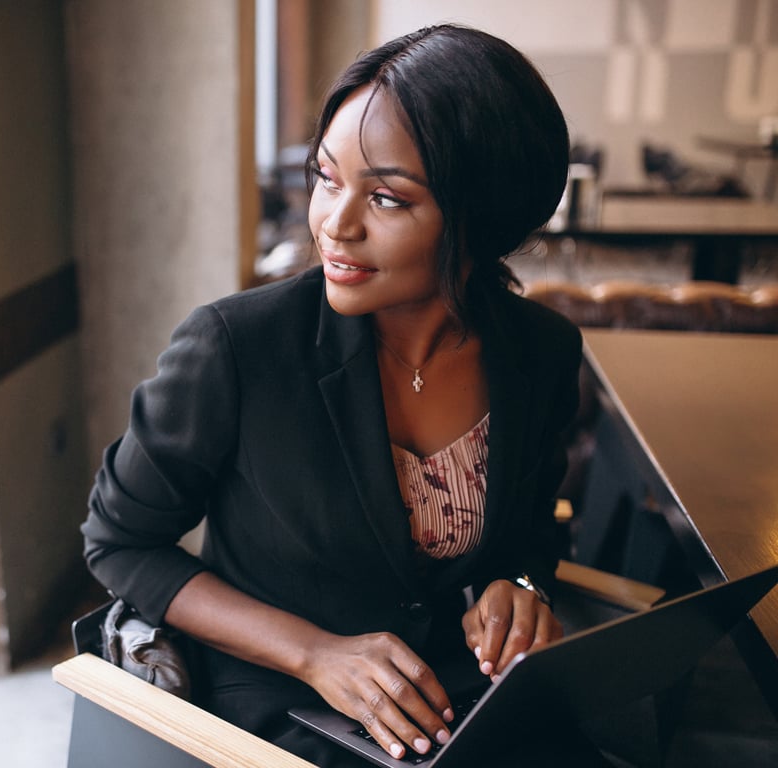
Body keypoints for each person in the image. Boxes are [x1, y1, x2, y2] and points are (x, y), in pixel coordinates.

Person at [82, 24, 586, 767]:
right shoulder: (235, 347)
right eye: (326, 176)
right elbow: (119, 541)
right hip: (278, 704)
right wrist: (314, 652)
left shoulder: (541, 353)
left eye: (385, 197)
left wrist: (515, 585)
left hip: (451, 695)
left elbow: (531, 534)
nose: (334, 224)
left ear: (483, 216)